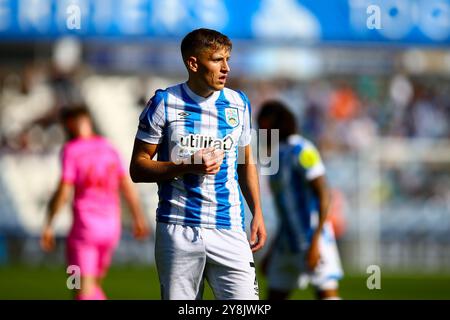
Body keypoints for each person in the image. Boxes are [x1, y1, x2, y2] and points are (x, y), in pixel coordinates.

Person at [129, 28, 266, 300]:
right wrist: (185, 165)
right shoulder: (164, 103)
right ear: (193, 63)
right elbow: (138, 168)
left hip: (229, 228)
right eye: (217, 60)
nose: (226, 68)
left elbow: (245, 163)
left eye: (227, 59)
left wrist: (257, 212)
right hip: (178, 228)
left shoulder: (239, 103)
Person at [40, 105, 149, 300]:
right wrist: (138, 218)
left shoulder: (71, 150)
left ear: (69, 125)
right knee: (91, 285)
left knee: (78, 287)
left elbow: (64, 191)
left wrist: (49, 223)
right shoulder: (109, 148)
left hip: (84, 231)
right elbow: (127, 186)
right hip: (110, 230)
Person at [258, 100, 343, 300]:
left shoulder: (302, 150)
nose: (259, 131)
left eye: (261, 125)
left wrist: (315, 243)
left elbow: (324, 193)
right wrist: (272, 250)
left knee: (327, 295)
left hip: (312, 238)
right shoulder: (277, 156)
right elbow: (286, 210)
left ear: (271, 123)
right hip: (286, 243)